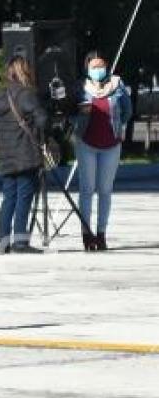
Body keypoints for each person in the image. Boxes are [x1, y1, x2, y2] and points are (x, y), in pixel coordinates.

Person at [0, 55, 48, 254]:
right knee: (24, 198)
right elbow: (42, 119)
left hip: (5, 155)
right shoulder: (26, 94)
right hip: (25, 155)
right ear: (25, 71)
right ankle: (20, 242)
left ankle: (3, 243)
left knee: (8, 198)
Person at [72, 51, 132, 251]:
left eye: (101, 66)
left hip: (111, 144)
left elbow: (128, 110)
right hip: (86, 143)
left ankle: (101, 233)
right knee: (87, 190)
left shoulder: (117, 84)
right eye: (94, 67)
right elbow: (70, 111)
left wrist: (119, 126)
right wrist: (77, 122)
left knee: (105, 190)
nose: (99, 70)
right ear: (87, 69)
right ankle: (86, 234)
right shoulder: (81, 87)